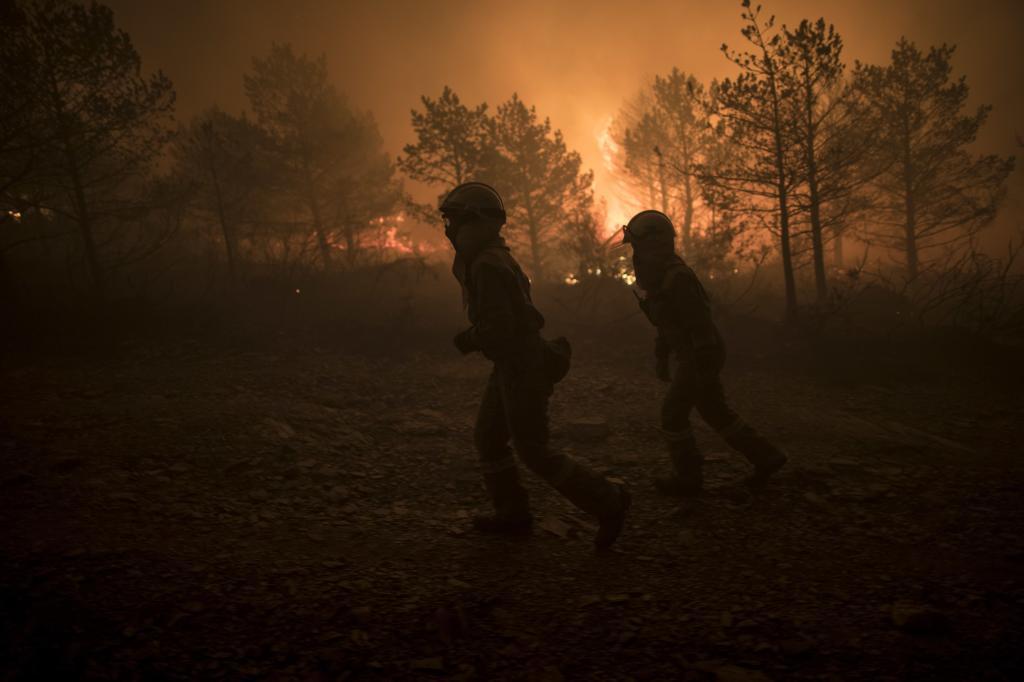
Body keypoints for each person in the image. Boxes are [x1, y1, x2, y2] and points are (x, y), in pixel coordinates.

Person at [443, 181, 630, 550]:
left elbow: (500, 328)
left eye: (455, 221)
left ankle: (608, 501)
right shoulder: (492, 257)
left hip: (521, 365)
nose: (450, 229)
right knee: (489, 437)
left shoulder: (487, 265)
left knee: (533, 449)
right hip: (513, 363)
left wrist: (469, 339)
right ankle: (512, 513)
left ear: (475, 221)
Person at [622, 209, 786, 501]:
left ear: (654, 244)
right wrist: (662, 357)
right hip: (694, 354)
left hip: (700, 353)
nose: (636, 254)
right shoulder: (660, 279)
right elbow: (666, 325)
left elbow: (698, 323)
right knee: (714, 410)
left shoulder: (677, 278)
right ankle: (766, 457)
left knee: (673, 414)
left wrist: (701, 363)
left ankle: (688, 479)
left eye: (638, 246)